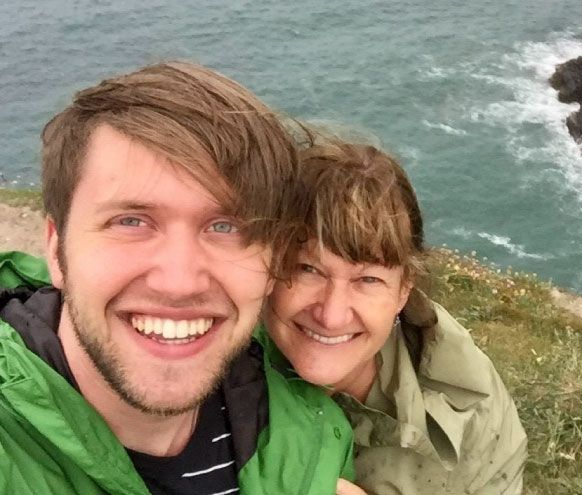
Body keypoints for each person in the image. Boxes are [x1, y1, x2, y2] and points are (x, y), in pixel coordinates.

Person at [0, 62, 354, 494]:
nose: (179, 282)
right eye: (131, 221)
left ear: (272, 264)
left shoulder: (311, 435)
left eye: (227, 227)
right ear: (57, 250)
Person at [264, 141, 528, 494]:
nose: (331, 314)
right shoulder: (206, 360)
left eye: (368, 279)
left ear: (404, 290)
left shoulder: (474, 418)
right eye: (308, 269)